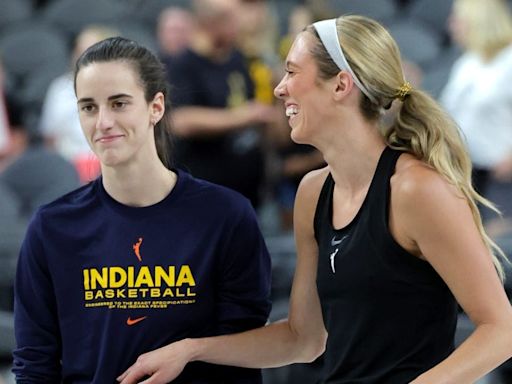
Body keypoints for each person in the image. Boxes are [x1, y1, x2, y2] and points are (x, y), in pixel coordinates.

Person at [118, 15, 512, 384]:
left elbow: (501, 329)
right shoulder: (313, 191)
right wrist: (191, 350)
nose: (278, 88)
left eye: (291, 71)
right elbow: (302, 339)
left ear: (341, 85)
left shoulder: (416, 189)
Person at [12, 37, 272, 383]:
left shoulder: (225, 216)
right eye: (88, 107)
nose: (102, 121)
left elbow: (244, 353)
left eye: (119, 104)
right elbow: (35, 364)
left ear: (156, 107)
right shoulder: (52, 227)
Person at [166, 0, 279, 209]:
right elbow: (180, 120)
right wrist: (243, 116)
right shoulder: (184, 64)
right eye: (232, 20)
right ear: (212, 23)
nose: (240, 26)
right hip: (205, 192)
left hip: (248, 192)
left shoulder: (236, 58)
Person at [440, 0, 512, 196]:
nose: (451, 25)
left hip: (500, 174)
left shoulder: (509, 59)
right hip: (465, 167)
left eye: (457, 19)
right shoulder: (468, 61)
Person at [39, 25, 117, 183]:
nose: (82, 57)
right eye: (79, 50)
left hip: (108, 166)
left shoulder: (118, 90)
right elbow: (50, 139)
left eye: (90, 51)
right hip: (67, 170)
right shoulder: (58, 88)